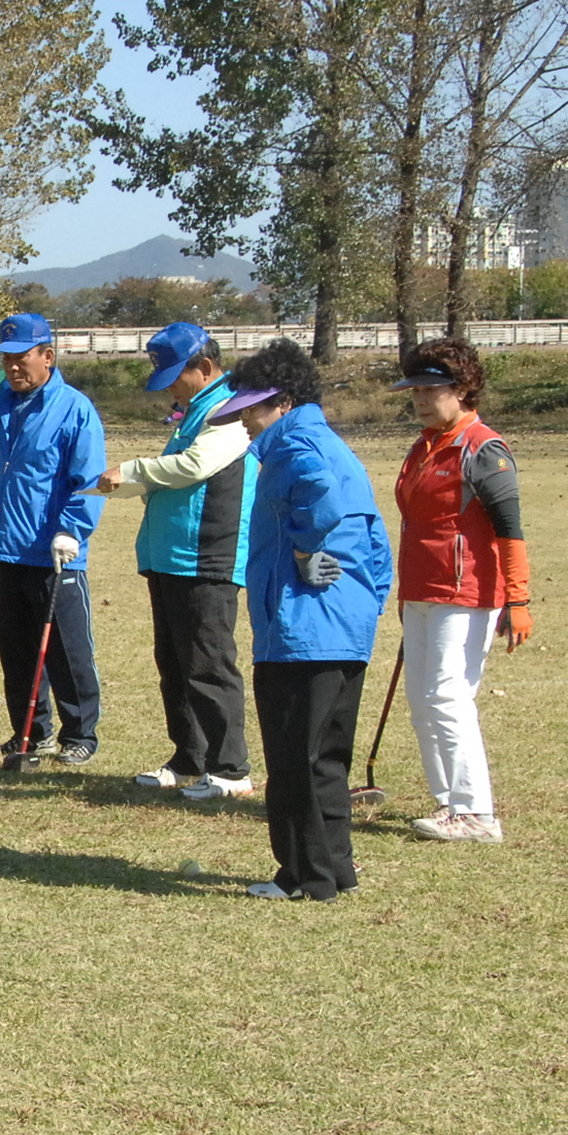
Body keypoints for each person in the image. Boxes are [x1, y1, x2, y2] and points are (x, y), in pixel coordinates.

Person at [212, 338, 391, 902]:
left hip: (301, 630)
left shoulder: (296, 448)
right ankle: (337, 868)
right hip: (344, 628)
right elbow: (377, 541)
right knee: (327, 757)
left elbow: (320, 500)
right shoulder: (337, 447)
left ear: (283, 403)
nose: (243, 419)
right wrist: (368, 603)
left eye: (252, 408)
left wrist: (300, 549)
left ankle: (303, 877)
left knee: (292, 761)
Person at [98, 323, 258, 799]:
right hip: (170, 556)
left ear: (204, 368)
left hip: (206, 557)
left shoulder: (230, 412)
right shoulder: (194, 411)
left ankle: (230, 769)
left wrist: (132, 470)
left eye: (174, 375)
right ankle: (190, 756)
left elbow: (193, 467)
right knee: (175, 663)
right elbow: (174, 476)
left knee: (208, 664)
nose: (168, 386)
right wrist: (125, 484)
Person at [390, 338, 531, 844]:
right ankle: (449, 802)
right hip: (422, 590)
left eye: (431, 389)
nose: (420, 399)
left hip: (466, 591)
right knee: (423, 699)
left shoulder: (484, 449)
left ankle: (477, 813)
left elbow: (509, 531)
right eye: (414, 391)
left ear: (463, 388)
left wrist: (518, 599)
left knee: (448, 696)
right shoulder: (424, 444)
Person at [0, 313, 106, 769]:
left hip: (54, 552)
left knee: (67, 650)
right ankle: (31, 732)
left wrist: (72, 529)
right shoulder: (3, 410)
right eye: (6, 359)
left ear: (47, 357)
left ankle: (80, 733)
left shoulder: (74, 408)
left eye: (22, 358)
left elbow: (88, 478)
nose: (13, 367)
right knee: (16, 650)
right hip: (8, 548)